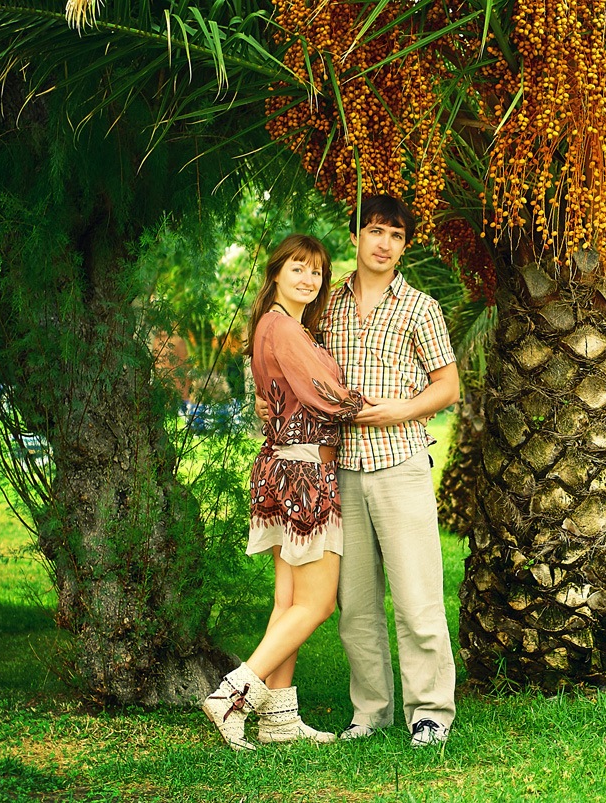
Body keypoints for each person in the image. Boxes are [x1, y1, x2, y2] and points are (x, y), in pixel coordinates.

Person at [261, 195, 460, 747]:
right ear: (356, 236)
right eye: (375, 231)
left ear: (404, 246)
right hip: (339, 471)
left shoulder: (421, 308)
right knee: (355, 607)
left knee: (418, 599)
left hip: (400, 463)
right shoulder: (325, 304)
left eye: (396, 236)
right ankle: (370, 713)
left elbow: (447, 386)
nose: (384, 244)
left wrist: (399, 410)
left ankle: (430, 714)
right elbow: (291, 361)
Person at [203, 234, 367, 752]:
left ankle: (279, 721)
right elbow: (329, 398)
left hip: (280, 466)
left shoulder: (272, 326)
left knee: (288, 602)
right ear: (276, 273)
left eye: (317, 271)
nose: (309, 279)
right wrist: (389, 406)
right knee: (315, 604)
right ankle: (231, 697)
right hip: (304, 474)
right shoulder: (286, 330)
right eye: (298, 268)